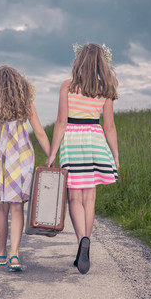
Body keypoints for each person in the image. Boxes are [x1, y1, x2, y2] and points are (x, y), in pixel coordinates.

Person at [46, 42, 119, 274]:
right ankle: (86, 243)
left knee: (74, 199)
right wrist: (115, 156)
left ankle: (81, 243)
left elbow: (61, 122)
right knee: (90, 200)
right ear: (101, 62)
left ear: (79, 61)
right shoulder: (106, 89)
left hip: (73, 143)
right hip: (95, 142)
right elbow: (109, 126)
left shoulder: (67, 86)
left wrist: (52, 153)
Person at [0, 65, 50, 272]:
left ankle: (1, 254)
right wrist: (50, 155)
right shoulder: (26, 104)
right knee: (17, 206)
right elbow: (38, 131)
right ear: (20, 86)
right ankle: (14, 256)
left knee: (1, 207)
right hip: (20, 158)